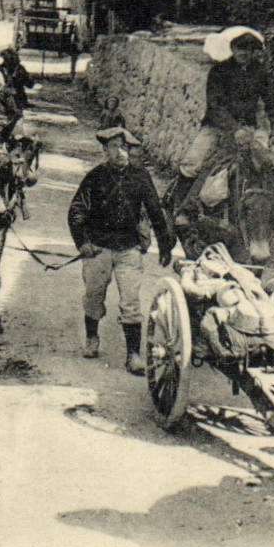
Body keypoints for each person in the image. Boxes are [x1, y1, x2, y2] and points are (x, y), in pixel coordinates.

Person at [67, 127, 175, 373]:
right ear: (105, 150)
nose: (121, 152)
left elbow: (156, 212)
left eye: (125, 148)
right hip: (99, 249)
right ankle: (92, 339)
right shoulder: (94, 177)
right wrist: (83, 242)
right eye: (115, 147)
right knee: (94, 296)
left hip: (129, 249)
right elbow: (76, 211)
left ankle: (134, 355)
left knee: (131, 302)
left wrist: (165, 244)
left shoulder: (140, 177)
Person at [170, 26, 274, 212]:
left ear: (253, 52)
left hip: (249, 129)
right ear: (232, 49)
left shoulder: (261, 73)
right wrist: (234, 129)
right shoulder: (218, 72)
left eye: (248, 50)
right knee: (192, 162)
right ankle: (179, 208)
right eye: (240, 49)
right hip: (216, 128)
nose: (244, 54)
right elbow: (215, 107)